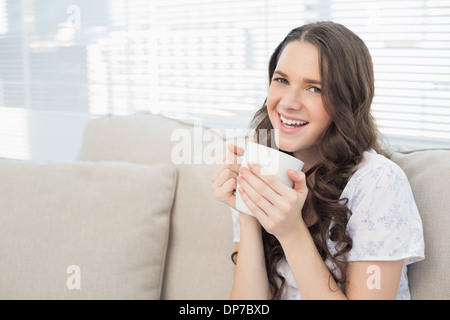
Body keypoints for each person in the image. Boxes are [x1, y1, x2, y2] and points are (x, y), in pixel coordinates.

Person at [211, 21, 424, 300]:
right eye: (282, 80)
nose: (288, 102)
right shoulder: (264, 166)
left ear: (347, 101)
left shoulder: (378, 182)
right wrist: (248, 209)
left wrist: (291, 232)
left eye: (315, 88)